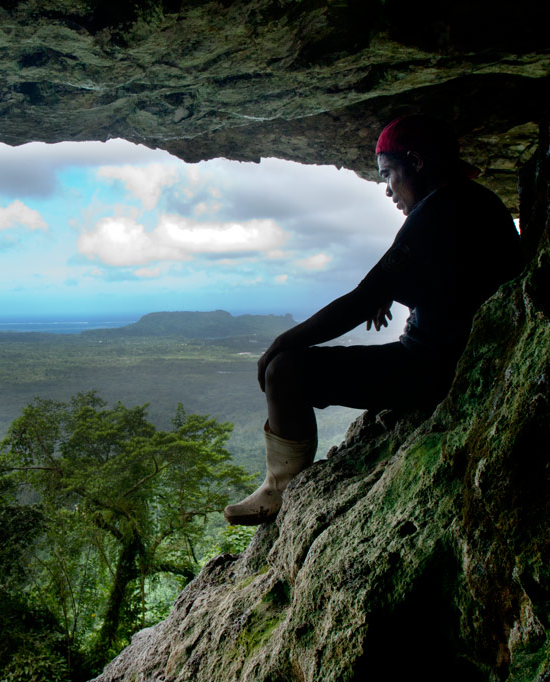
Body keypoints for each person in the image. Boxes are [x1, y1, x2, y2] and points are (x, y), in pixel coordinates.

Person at [223, 114, 522, 526]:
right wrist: (392, 289)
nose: (387, 190)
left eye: (388, 175)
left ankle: (280, 488)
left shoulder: (438, 210)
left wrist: (280, 344)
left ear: (415, 162)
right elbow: (455, 283)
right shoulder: (473, 201)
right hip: (461, 358)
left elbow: (362, 299)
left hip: (431, 371)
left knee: (284, 370)